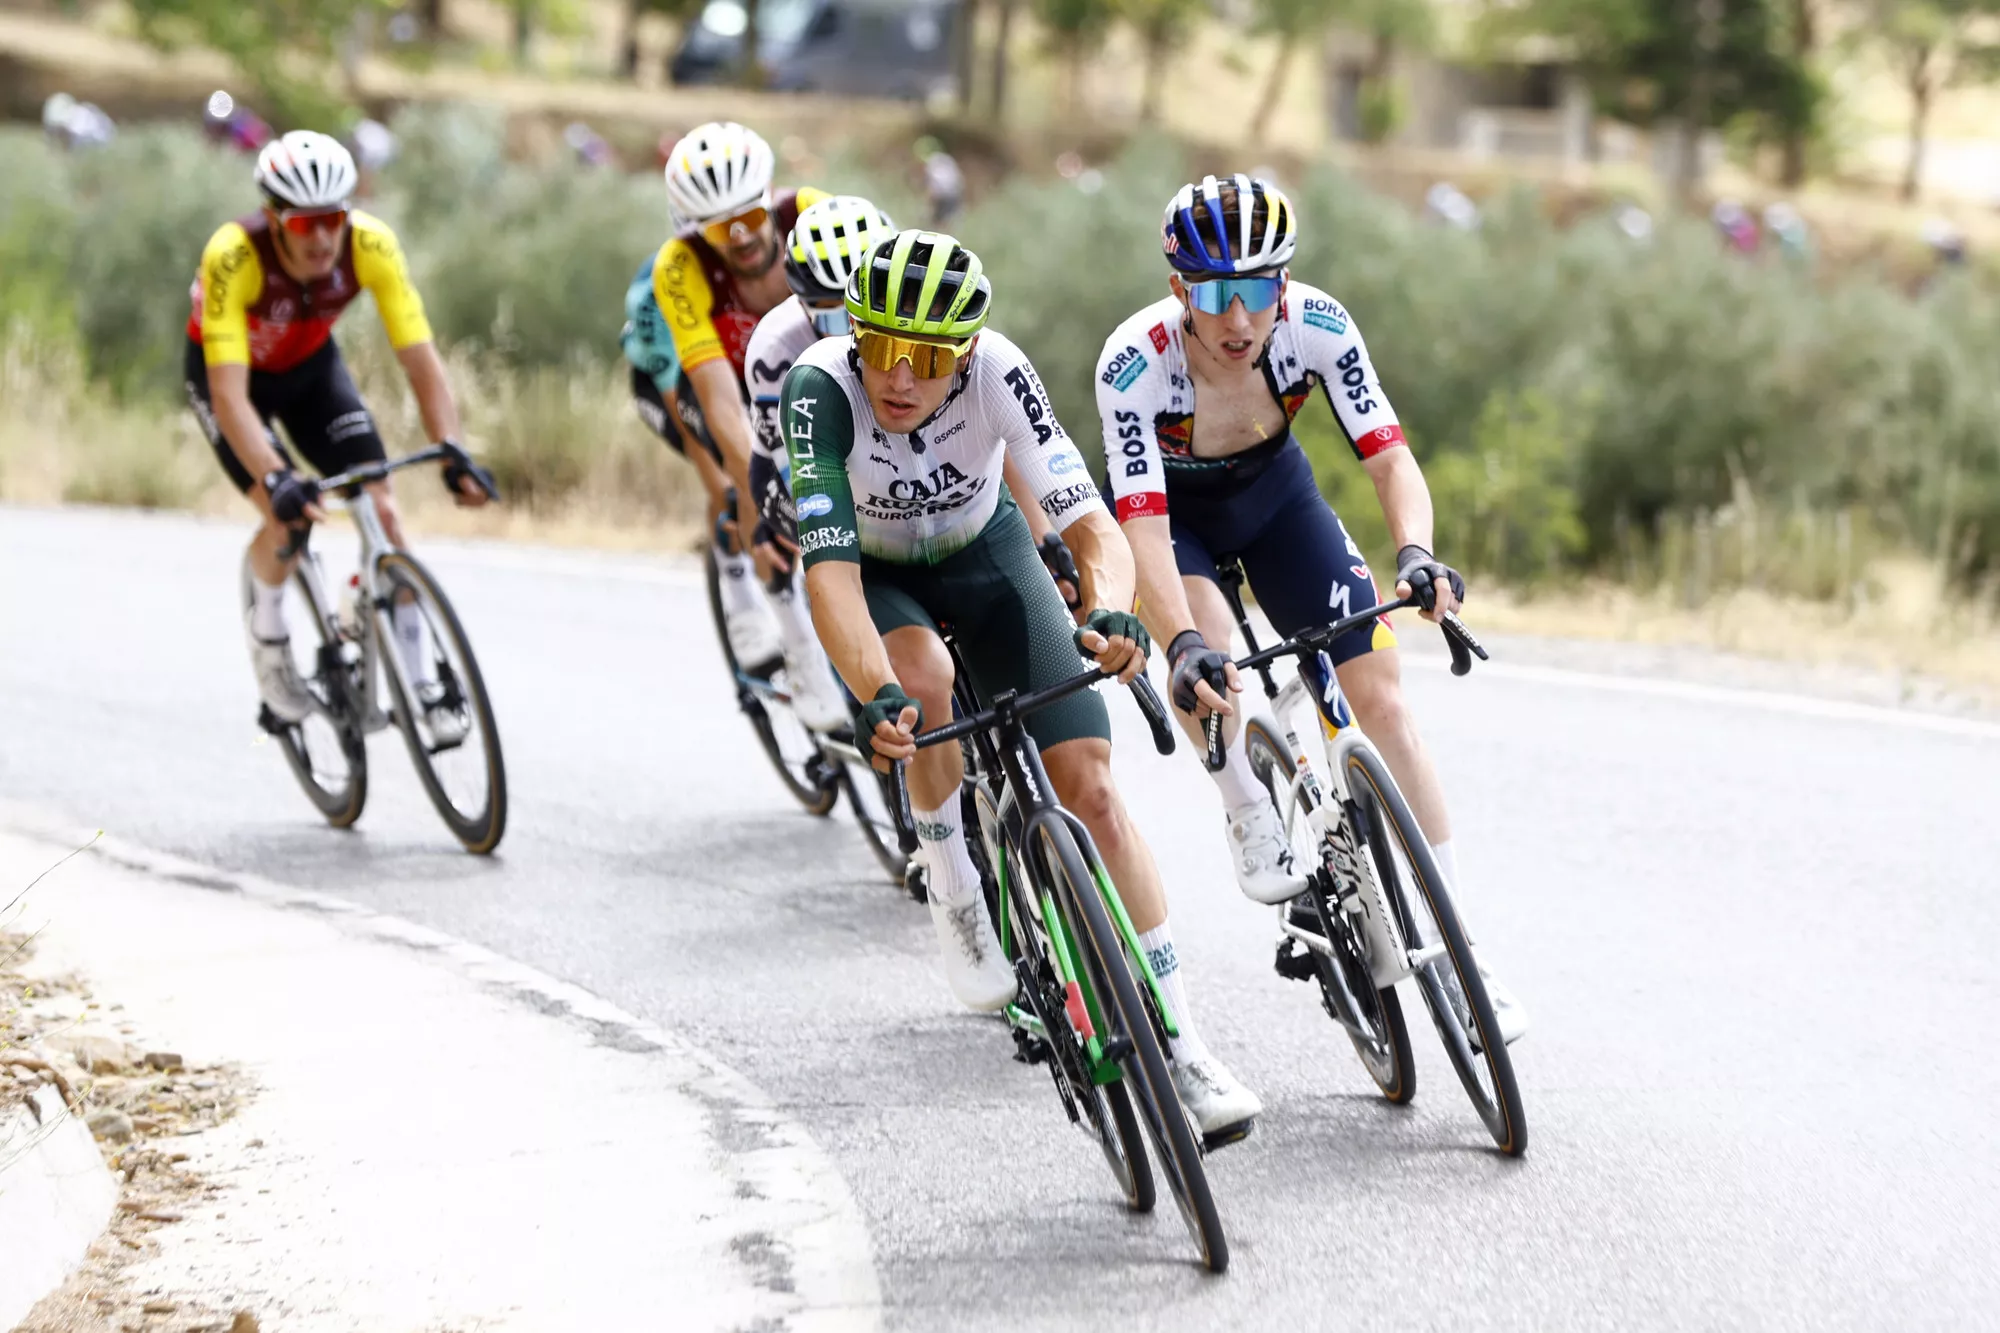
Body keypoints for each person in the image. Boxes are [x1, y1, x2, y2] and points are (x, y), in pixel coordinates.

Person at [784, 229, 1262, 1138]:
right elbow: (831, 578)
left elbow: (1092, 526)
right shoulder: (820, 390)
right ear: (856, 340)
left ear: (963, 355)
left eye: (927, 358)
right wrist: (872, 687)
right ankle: (953, 872)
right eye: (881, 348)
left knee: (1092, 787)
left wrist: (1116, 611)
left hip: (982, 550)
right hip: (879, 573)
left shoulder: (999, 371)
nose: (900, 377)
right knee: (921, 676)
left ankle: (1187, 1046)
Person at [1093, 173, 1527, 1044]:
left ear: (1281, 285)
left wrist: (1414, 553)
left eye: (1256, 290)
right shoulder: (1133, 364)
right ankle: (1243, 800)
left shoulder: (1318, 325)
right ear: (1180, 289)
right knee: (1211, 656)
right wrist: (1177, 640)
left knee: (1386, 697)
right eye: (1214, 294)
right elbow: (1138, 526)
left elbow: (1390, 458)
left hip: (1277, 500)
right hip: (1171, 526)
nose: (1237, 319)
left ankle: (1462, 951)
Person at [182, 131, 493, 736]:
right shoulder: (233, 256)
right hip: (233, 385)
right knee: (288, 517)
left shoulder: (371, 245)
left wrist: (453, 448)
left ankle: (417, 674)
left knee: (384, 510)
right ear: (274, 221)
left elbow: (420, 360)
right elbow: (229, 396)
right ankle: (270, 644)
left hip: (311, 374)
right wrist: (276, 477)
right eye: (305, 225)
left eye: (333, 219)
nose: (324, 238)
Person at [745, 196, 1078, 732]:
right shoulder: (777, 350)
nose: (835, 324)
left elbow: (993, 445)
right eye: (825, 310)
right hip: (805, 469)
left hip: (930, 501)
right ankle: (810, 652)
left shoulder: (944, 349)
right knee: (815, 554)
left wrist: (1044, 536)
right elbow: (795, 472)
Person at [652, 121, 828, 666]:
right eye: (720, 229)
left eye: (751, 218)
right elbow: (720, 401)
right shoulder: (680, 267)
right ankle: (759, 602)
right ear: (693, 230)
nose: (743, 238)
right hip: (714, 378)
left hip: (799, 366)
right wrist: (760, 491)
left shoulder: (810, 215)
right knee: (740, 479)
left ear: (769, 202)